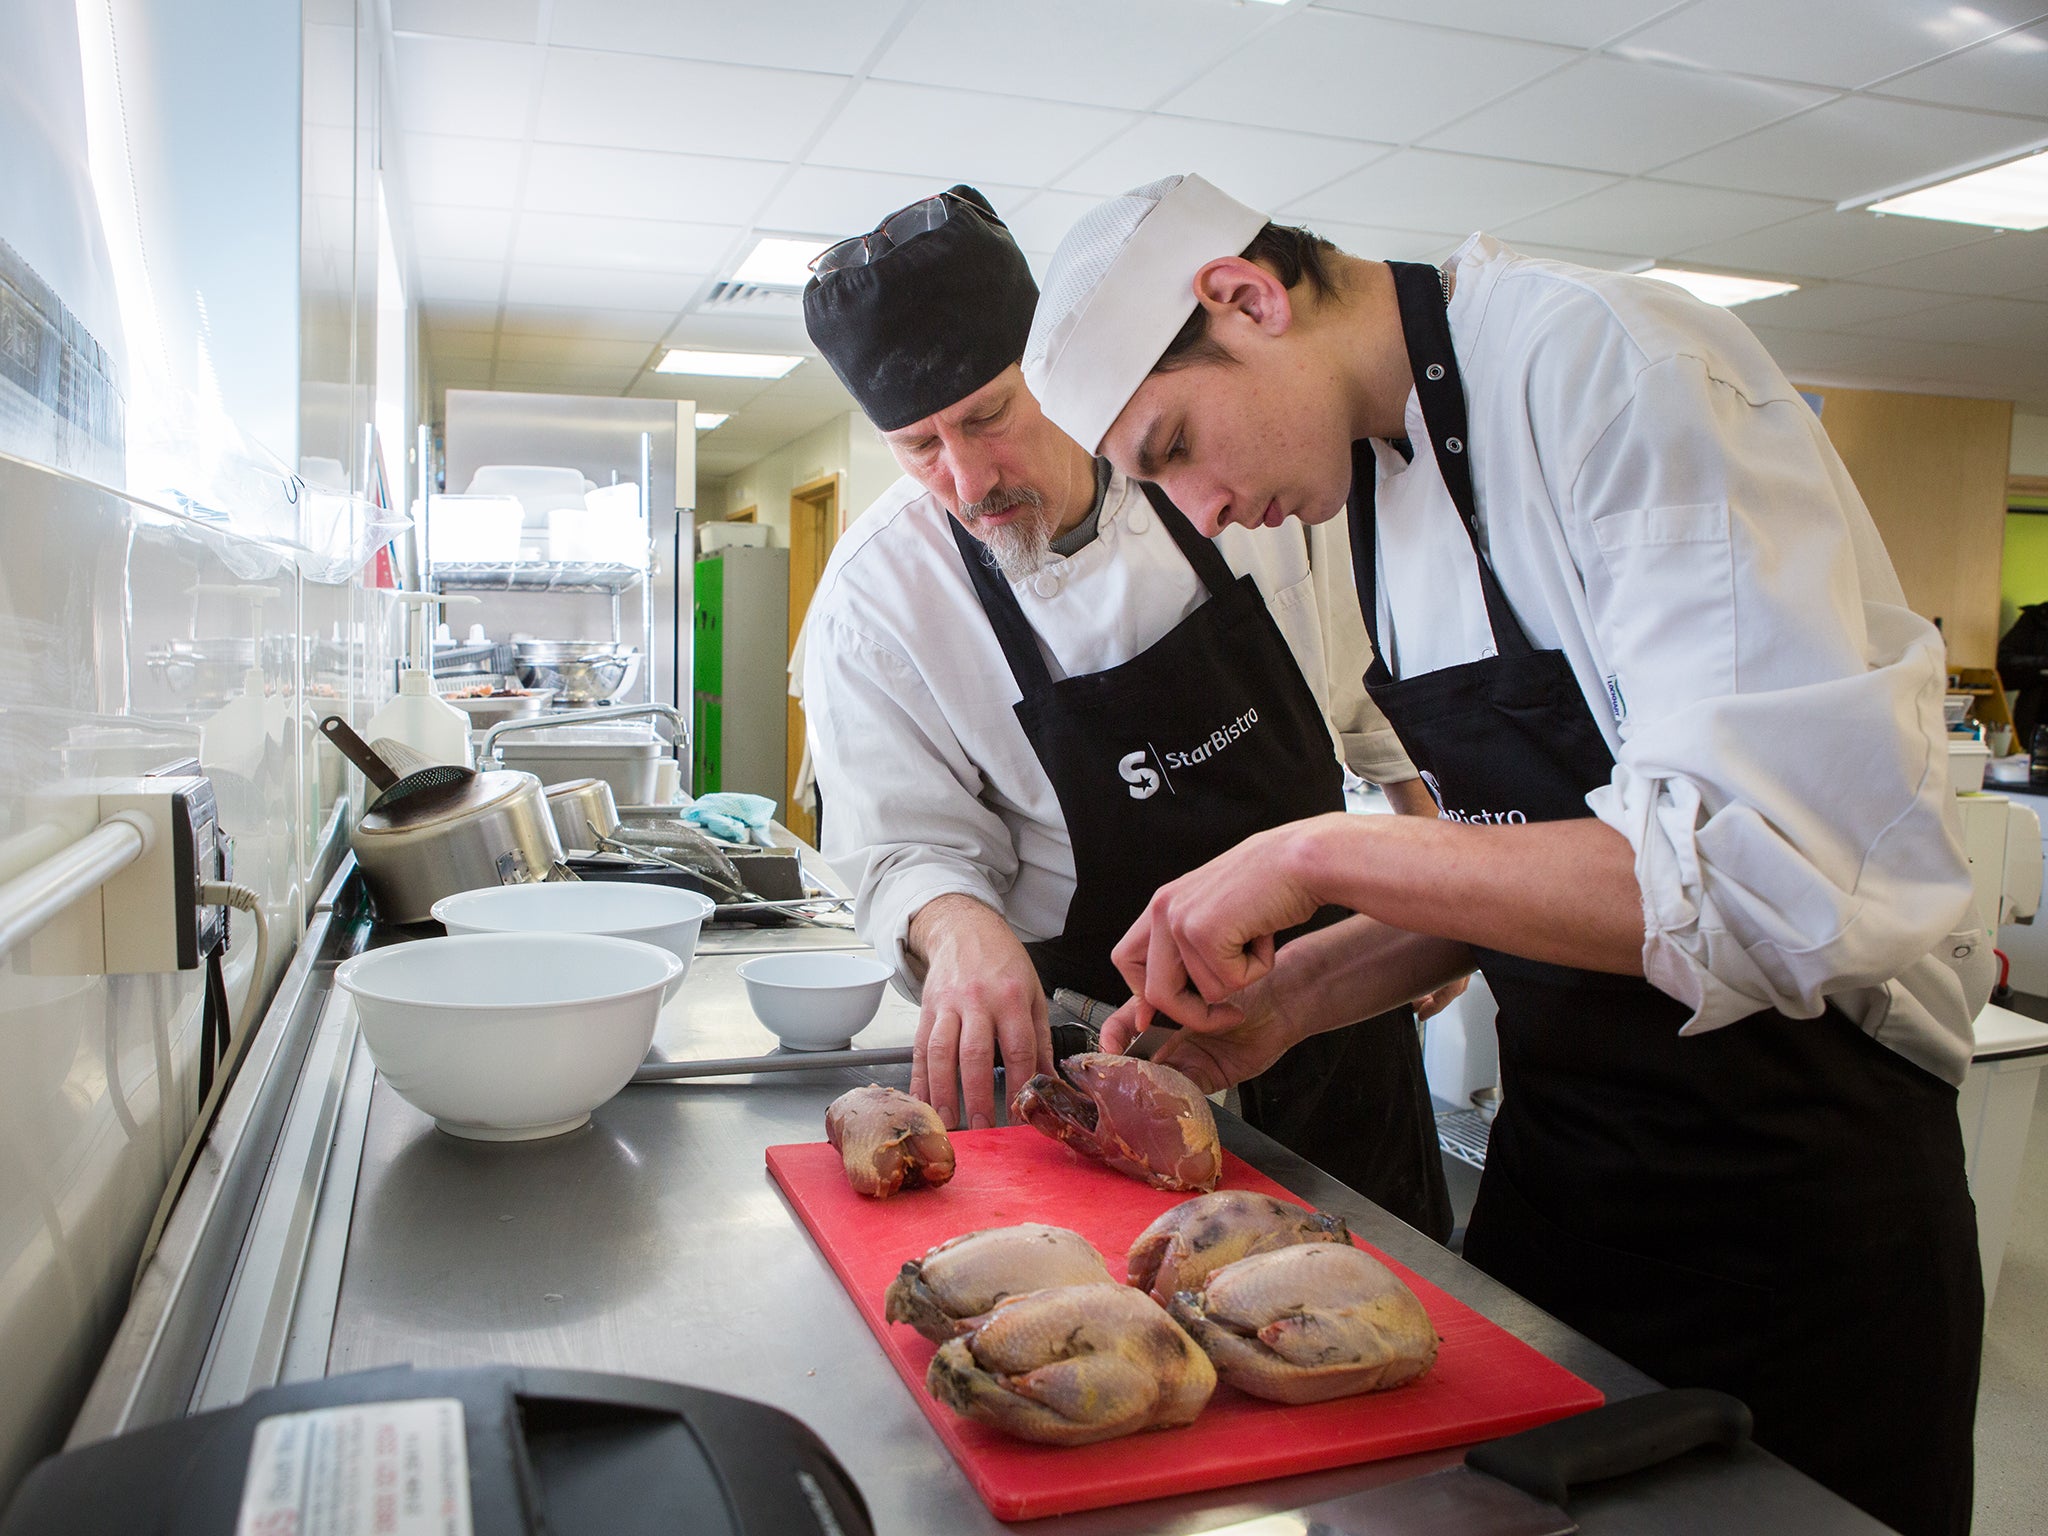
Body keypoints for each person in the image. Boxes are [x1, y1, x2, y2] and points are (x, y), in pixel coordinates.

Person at [1024, 174, 1991, 1536]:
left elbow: (1751, 884)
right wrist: (1292, 1003)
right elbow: (1528, 860)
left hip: (1796, 1203)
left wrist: (1323, 855)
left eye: (1179, 444)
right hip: (1570, 1184)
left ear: (1245, 298)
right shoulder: (1376, 480)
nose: (1204, 505)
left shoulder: (1614, 363)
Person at [799, 185, 1455, 1236]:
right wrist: (958, 928)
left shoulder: (1217, 453)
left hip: (1330, 1001)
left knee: (1377, 1299)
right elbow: (896, 844)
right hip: (1112, 1060)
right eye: (920, 446)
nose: (968, 481)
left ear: (1052, 374)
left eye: (987, 416)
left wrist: (1431, 864)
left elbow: (1360, 682)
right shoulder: (877, 601)